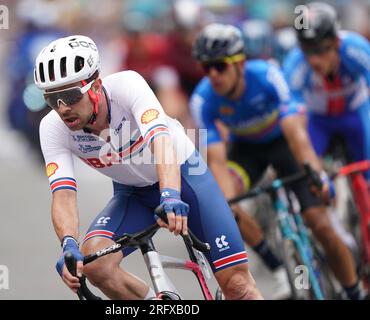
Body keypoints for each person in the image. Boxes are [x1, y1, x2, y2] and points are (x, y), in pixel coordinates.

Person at [34, 35, 263, 300]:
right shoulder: (52, 128)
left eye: (70, 95)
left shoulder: (127, 86)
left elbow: (161, 143)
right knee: (96, 264)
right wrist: (68, 245)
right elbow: (63, 194)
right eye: (53, 99)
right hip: (133, 193)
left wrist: (170, 194)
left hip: (184, 176)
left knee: (237, 286)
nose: (62, 108)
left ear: (96, 86)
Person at [190, 23, 363, 300]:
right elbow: (217, 161)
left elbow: (297, 134)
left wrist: (315, 172)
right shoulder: (202, 99)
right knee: (224, 203)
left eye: (219, 66)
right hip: (247, 151)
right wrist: (228, 205)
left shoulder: (269, 75)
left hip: (284, 143)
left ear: (240, 63)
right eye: (205, 67)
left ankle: (354, 292)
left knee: (319, 222)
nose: (213, 75)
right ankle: (278, 267)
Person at [283, 2, 370, 183]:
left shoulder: (356, 49)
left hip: (354, 113)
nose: (315, 60)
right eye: (307, 50)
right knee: (310, 175)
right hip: (319, 121)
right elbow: (292, 119)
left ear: (336, 42)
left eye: (321, 49)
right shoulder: (294, 65)